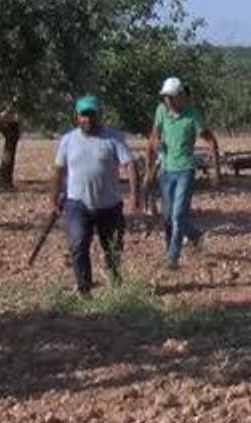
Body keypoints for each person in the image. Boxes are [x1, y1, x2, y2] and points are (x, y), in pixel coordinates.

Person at [51, 95, 140, 296]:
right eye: (84, 115)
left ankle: (116, 285)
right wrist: (54, 196)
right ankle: (84, 290)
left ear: (99, 115)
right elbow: (59, 170)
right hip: (77, 205)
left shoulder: (113, 138)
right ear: (77, 116)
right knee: (78, 245)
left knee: (113, 249)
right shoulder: (68, 140)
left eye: (92, 114)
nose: (88, 119)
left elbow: (130, 165)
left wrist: (135, 195)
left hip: (109, 206)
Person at [147, 76, 221, 268]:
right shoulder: (161, 111)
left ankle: (173, 257)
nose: (168, 100)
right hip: (166, 170)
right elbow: (154, 136)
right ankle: (194, 236)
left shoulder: (192, 115)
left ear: (181, 96)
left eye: (172, 97)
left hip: (185, 170)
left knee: (178, 214)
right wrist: (156, 147)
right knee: (167, 216)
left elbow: (211, 140)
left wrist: (215, 172)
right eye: (166, 97)